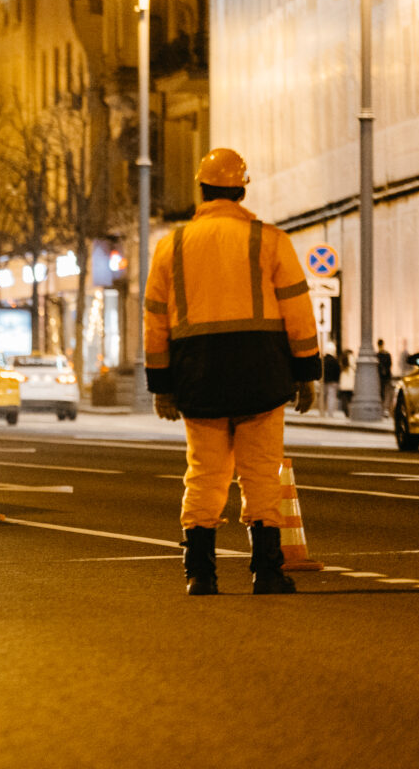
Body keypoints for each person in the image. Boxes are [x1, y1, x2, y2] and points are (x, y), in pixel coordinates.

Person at [143, 148, 321, 596]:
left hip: (197, 374)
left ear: (201, 189)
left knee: (203, 473)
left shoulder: (172, 246)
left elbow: (155, 322)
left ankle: (199, 572)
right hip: (261, 373)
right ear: (241, 189)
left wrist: (161, 385)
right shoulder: (270, 240)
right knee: (261, 473)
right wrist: (307, 373)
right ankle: (266, 570)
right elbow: (298, 312)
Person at [375, 339, 393, 409]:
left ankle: (384, 407)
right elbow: (390, 364)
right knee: (384, 393)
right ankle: (384, 407)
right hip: (384, 377)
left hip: (383, 377)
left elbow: (389, 364)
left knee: (384, 392)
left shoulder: (378, 355)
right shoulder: (384, 354)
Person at [337, 349, 355, 418]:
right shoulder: (351, 358)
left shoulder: (342, 360)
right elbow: (354, 366)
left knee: (344, 399)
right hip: (351, 381)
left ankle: (347, 413)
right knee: (350, 399)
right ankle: (350, 412)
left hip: (344, 383)